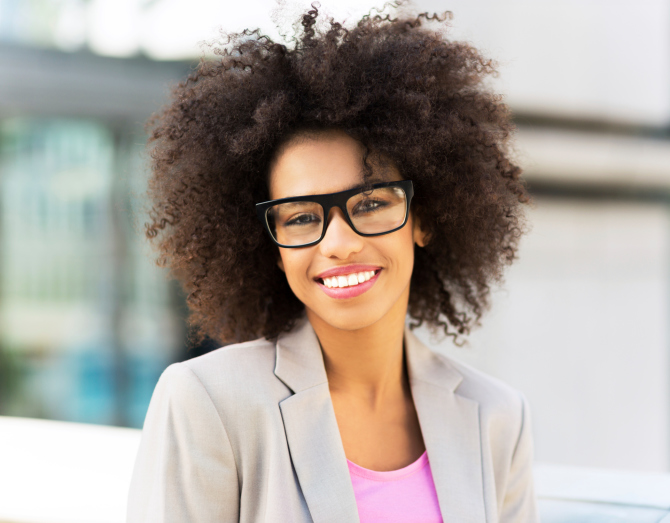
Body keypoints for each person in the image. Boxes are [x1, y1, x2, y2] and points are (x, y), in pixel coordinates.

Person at [127, 5, 539, 522]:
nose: (339, 243)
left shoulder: (497, 418)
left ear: (423, 218)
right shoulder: (208, 402)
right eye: (301, 217)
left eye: (370, 204)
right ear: (272, 248)